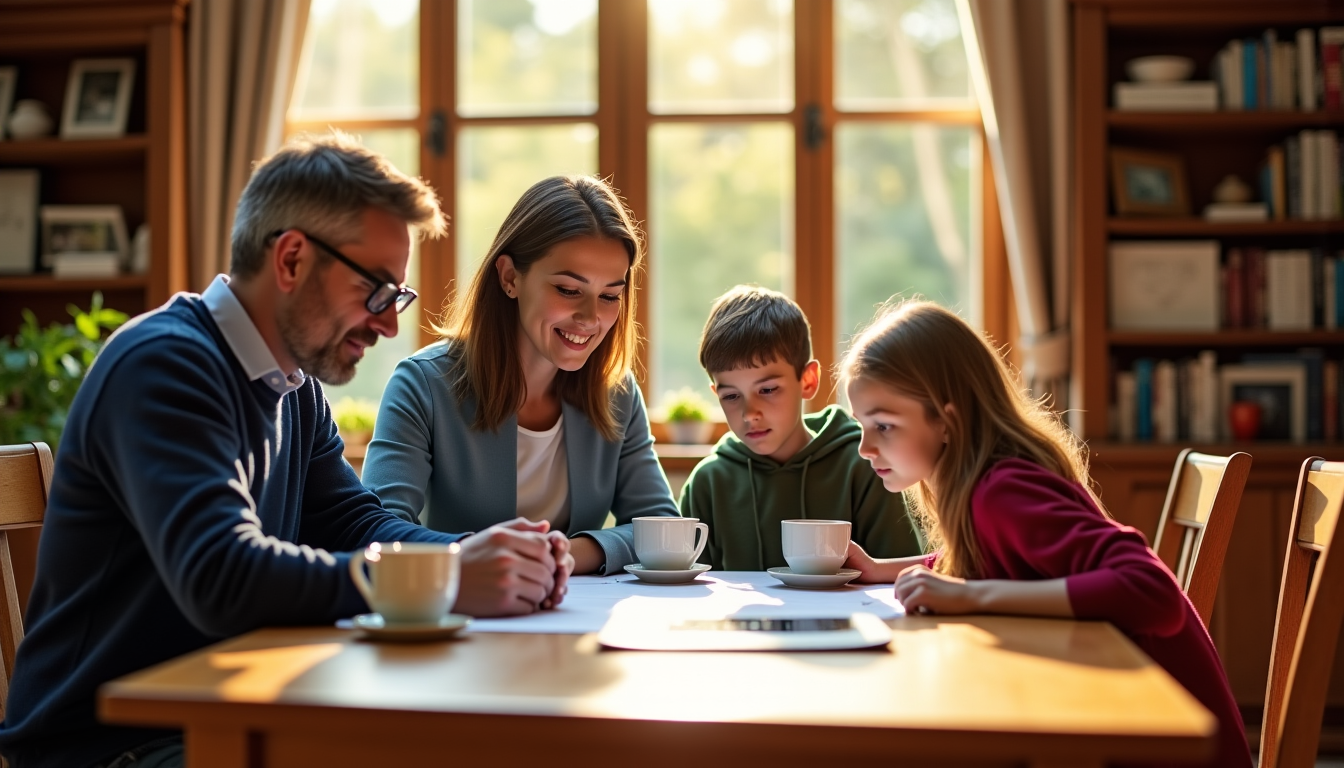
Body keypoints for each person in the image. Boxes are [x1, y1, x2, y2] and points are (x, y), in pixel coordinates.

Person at [0, 133, 574, 768]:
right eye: (376, 292)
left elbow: (355, 522)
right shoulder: (165, 366)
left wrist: (475, 555)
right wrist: (449, 579)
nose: (388, 325)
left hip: (224, 708)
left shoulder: (292, 386)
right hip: (110, 746)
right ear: (293, 259)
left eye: (397, 299)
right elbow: (223, 574)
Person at [839, 300, 1251, 768]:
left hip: (1162, 742)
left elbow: (1153, 590)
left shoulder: (1002, 492)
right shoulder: (987, 489)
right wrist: (881, 570)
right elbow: (1000, 560)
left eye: (884, 426)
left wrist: (973, 597)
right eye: (861, 426)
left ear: (947, 420)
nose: (866, 448)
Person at [361, 175, 678, 575]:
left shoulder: (616, 392)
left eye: (610, 296)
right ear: (510, 277)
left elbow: (663, 529)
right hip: (468, 620)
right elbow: (377, 531)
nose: (591, 318)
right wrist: (484, 558)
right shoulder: (422, 384)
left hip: (572, 620)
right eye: (568, 289)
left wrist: (565, 553)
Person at [677, 285, 923, 570]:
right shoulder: (707, 483)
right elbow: (692, 596)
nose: (749, 414)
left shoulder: (865, 466)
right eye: (731, 396)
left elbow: (898, 579)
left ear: (807, 381)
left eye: (768, 389)